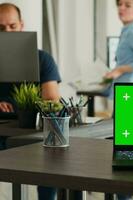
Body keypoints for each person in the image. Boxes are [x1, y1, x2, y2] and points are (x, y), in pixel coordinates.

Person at [0, 3, 62, 200]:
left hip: (33, 136)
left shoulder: (42, 59)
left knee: (54, 155)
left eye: (12, 26)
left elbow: (52, 100)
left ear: (21, 25)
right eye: (1, 28)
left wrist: (22, 107)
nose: (7, 32)